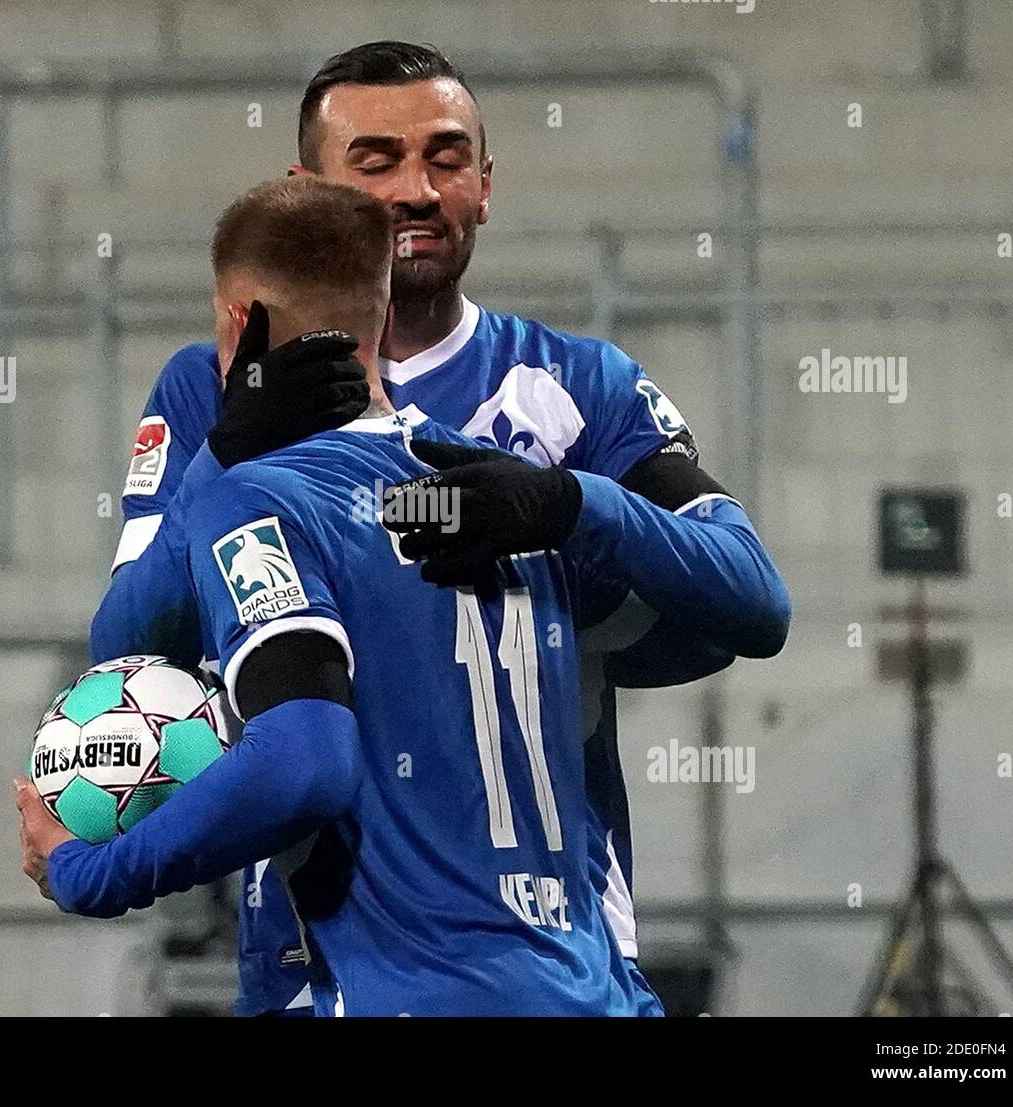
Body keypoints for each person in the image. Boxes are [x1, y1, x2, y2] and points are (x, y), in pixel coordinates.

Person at [88, 41, 789, 1016]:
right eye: (375, 161)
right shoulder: (212, 390)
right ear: (307, 193)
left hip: (551, 953)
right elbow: (125, 646)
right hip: (309, 966)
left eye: (446, 158)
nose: (416, 190)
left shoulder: (577, 388)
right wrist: (224, 458)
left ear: (487, 185)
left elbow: (751, 599)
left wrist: (571, 504)